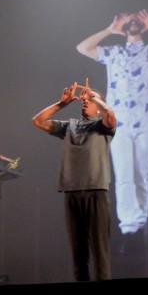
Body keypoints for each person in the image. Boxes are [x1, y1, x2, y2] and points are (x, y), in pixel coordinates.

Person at [76, 9, 148, 235]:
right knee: (124, 173)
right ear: (124, 27)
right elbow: (82, 48)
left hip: (145, 120)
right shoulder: (113, 52)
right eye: (130, 21)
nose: (134, 23)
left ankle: (141, 218)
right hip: (119, 121)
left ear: (142, 26)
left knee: (141, 173)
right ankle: (128, 224)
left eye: (137, 21)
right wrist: (109, 30)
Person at [32, 79, 117, 281]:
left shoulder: (103, 126)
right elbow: (38, 121)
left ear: (99, 106)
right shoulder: (69, 127)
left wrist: (96, 96)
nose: (85, 102)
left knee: (100, 255)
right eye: (83, 100)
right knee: (79, 258)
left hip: (96, 191)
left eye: (90, 100)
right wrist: (62, 104)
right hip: (71, 192)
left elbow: (111, 115)